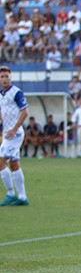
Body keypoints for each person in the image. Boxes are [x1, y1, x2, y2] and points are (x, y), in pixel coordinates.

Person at [0, 66, 30, 206]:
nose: (4, 79)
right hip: (8, 134)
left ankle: (11, 193)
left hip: (15, 134)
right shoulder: (1, 94)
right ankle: (22, 197)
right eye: (2, 77)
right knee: (14, 164)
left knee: (1, 162)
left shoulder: (16, 92)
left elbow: (25, 112)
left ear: (11, 77)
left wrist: (14, 129)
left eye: (6, 76)